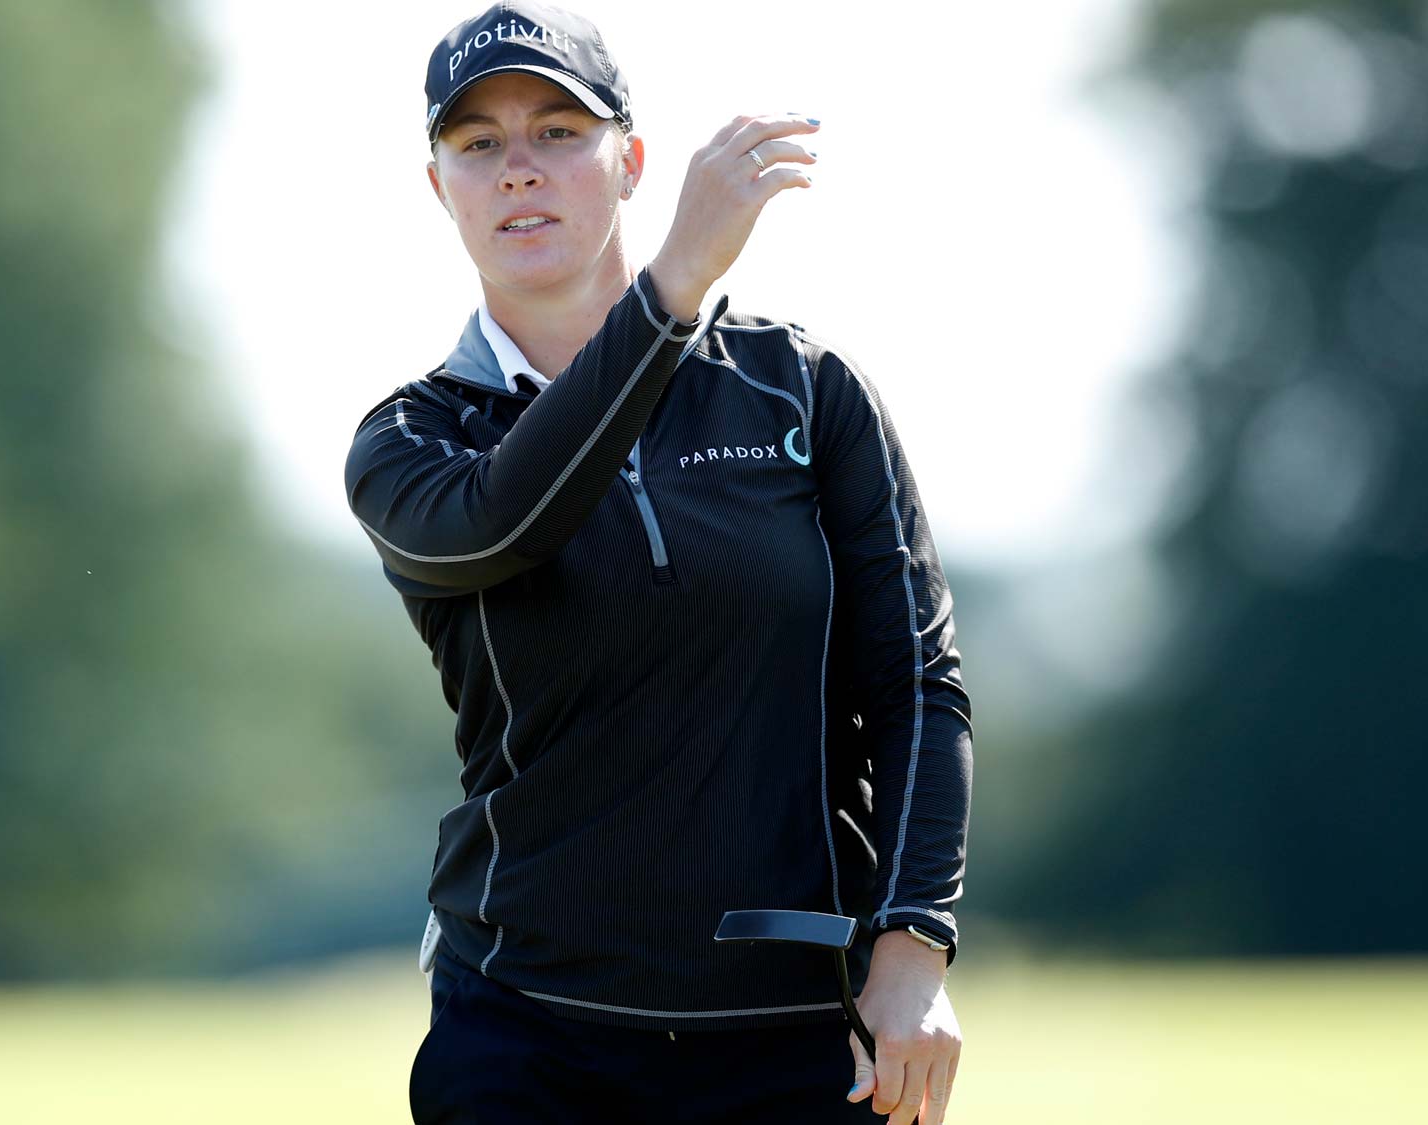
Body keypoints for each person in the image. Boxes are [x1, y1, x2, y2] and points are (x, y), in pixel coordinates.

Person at [343, 4, 973, 1122]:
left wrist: (913, 943)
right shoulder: (411, 442)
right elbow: (501, 524)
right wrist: (673, 286)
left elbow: (914, 687)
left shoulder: (803, 390)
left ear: (628, 162)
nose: (516, 170)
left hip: (786, 1025)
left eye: (556, 131)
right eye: (477, 145)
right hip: (523, 1025)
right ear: (438, 188)